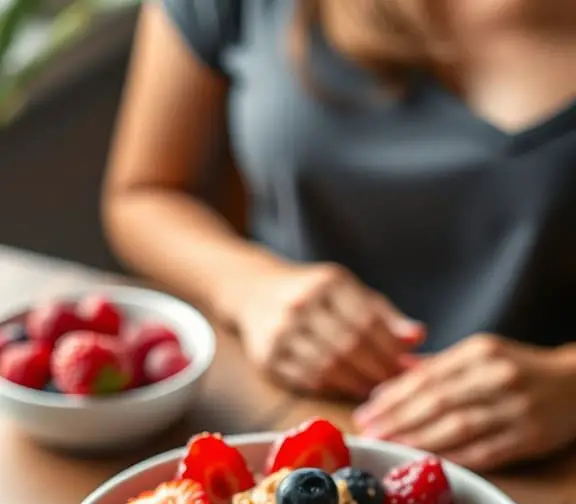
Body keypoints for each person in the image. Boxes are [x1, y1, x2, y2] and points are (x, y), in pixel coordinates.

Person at [102, 0, 576, 471]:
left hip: (543, 458)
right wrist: (248, 285)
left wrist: (568, 380)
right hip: (279, 414)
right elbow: (144, 194)